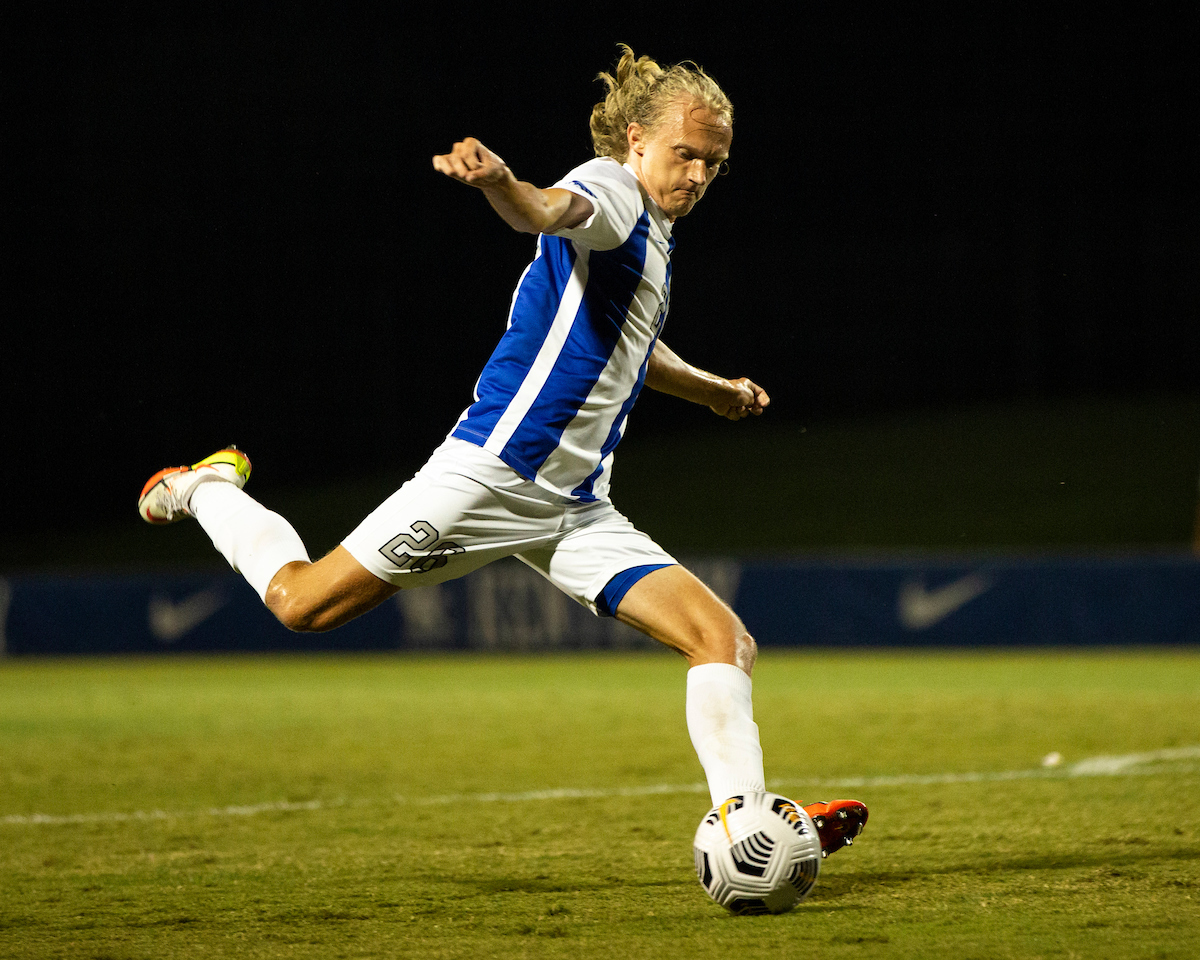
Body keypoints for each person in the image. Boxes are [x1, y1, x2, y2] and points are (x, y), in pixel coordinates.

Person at [138, 44, 866, 859]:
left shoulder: (655, 237)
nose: (697, 175)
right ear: (635, 140)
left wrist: (715, 389)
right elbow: (552, 210)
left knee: (723, 640)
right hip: (491, 476)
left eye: (713, 164)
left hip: (576, 509)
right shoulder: (615, 189)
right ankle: (205, 488)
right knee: (301, 603)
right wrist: (501, 187)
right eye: (685, 154)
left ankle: (747, 825)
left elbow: (638, 347)